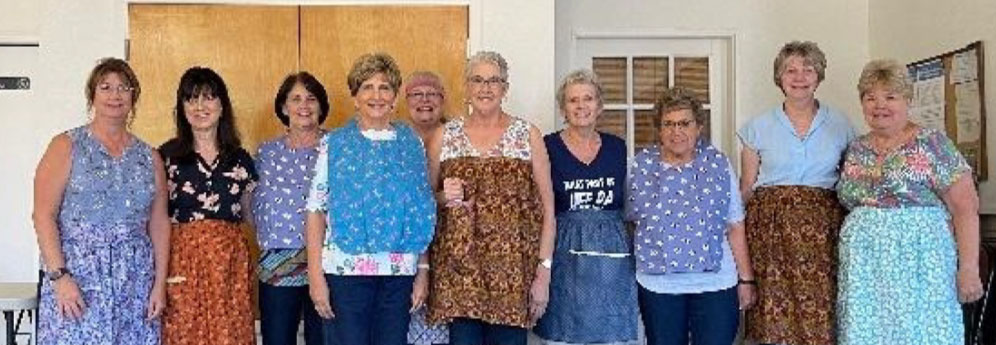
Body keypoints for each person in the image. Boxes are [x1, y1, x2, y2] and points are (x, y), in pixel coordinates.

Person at [836, 59, 983, 345]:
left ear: (908, 100)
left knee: (922, 334)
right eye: (870, 98)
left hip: (920, 265)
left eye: (890, 97)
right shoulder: (855, 148)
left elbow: (965, 208)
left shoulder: (932, 143)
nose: (880, 105)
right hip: (865, 270)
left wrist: (968, 269)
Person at [33, 57, 169, 345]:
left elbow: (159, 223)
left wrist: (159, 285)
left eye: (124, 87)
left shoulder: (150, 157)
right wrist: (59, 277)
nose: (115, 95)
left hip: (135, 279)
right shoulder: (66, 145)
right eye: (105, 87)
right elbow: (43, 215)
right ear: (92, 95)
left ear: (134, 96)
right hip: (78, 276)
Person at [304, 53, 436, 345]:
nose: (376, 95)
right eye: (367, 87)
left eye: (385, 87)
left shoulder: (411, 142)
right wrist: (315, 277)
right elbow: (315, 209)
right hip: (346, 272)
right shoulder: (334, 143)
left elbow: (421, 211)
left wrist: (422, 271)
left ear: (394, 96)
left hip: (399, 273)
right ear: (355, 96)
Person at [425, 50, 556, 345]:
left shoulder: (527, 135)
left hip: (513, 277)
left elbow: (548, 209)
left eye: (494, 81)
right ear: (467, 87)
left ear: (505, 88)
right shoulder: (444, 136)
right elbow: (425, 204)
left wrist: (543, 274)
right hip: (460, 277)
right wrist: (444, 196)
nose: (485, 88)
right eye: (478, 80)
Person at [737, 41, 856, 345]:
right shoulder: (757, 127)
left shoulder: (841, 124)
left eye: (808, 69)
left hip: (823, 231)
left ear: (819, 76)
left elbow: (851, 181)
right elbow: (747, 187)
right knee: (772, 318)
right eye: (790, 70)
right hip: (770, 232)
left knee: (822, 312)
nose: (799, 76)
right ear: (779, 77)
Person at [628, 87, 755, 345]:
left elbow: (734, 225)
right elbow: (630, 221)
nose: (677, 131)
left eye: (685, 123)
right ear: (659, 130)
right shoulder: (640, 167)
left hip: (715, 284)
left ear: (699, 127)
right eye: (669, 124)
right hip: (659, 285)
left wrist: (746, 279)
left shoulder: (718, 163)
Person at [533, 69, 638, 345]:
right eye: (573, 100)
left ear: (599, 105)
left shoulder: (617, 147)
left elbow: (629, 207)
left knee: (612, 336)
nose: (581, 106)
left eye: (588, 99)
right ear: (563, 108)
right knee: (564, 335)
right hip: (566, 256)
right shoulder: (548, 146)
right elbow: (541, 208)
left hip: (612, 257)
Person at [160, 66, 258, 345]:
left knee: (232, 333)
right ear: (182, 107)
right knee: (183, 332)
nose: (200, 106)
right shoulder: (166, 156)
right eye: (191, 99)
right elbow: (155, 218)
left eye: (208, 98)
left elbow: (250, 214)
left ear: (222, 105)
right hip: (182, 259)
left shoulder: (239, 159)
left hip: (229, 264)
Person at [253, 72, 330, 345]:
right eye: (295, 99)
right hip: (277, 264)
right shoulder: (266, 153)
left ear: (321, 105)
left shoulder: (337, 148)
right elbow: (252, 203)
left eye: (311, 98)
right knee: (277, 339)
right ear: (284, 107)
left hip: (327, 261)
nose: (304, 106)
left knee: (323, 339)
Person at [403, 70, 450, 345]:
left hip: (448, 244)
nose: (425, 100)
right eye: (417, 94)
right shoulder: (396, 139)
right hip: (405, 248)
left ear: (442, 99)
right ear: (405, 100)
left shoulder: (458, 136)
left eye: (431, 94)